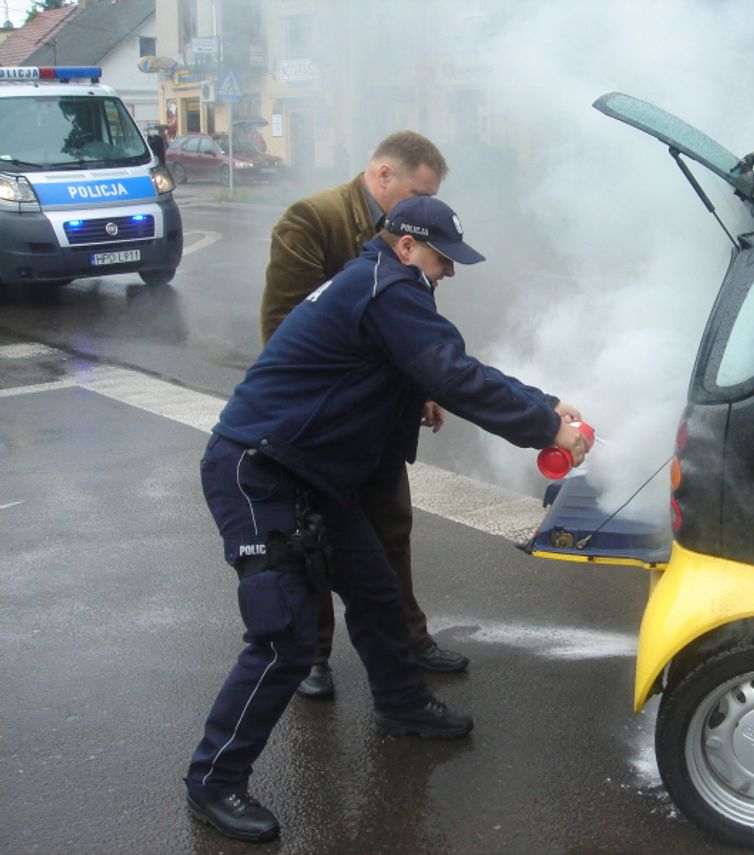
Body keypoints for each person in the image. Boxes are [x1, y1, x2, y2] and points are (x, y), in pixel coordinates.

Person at [185, 195, 591, 843]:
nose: (450, 270)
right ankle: (213, 780)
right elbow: (452, 372)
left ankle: (402, 704)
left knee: (375, 591)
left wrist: (546, 404)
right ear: (405, 244)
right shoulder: (388, 286)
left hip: (307, 475)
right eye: (442, 256)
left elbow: (419, 367)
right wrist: (546, 425)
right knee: (283, 634)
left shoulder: (381, 280)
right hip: (259, 472)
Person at [261, 131, 467, 701]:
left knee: (390, 532)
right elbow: (283, 329)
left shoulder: (409, 230)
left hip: (379, 421)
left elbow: (410, 321)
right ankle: (311, 656)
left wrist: (422, 384)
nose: (421, 205)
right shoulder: (312, 218)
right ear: (382, 176)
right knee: (314, 541)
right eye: (416, 191)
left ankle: (409, 642)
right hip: (320, 426)